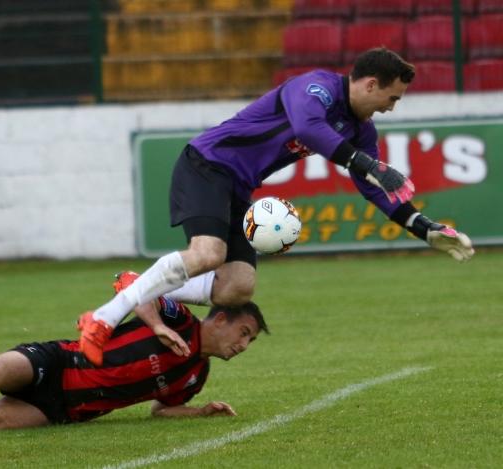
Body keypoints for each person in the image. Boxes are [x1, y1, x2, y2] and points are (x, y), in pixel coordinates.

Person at [77, 47, 474, 366]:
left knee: (237, 287)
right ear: (371, 84)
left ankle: (139, 285)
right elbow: (307, 128)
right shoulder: (315, 87)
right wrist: (365, 163)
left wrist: (423, 227)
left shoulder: (360, 130)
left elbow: (373, 188)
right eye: (392, 98)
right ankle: (104, 318)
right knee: (207, 253)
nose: (391, 107)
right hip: (208, 164)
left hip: (237, 186)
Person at [0, 291, 269, 430]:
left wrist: (200, 413)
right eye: (244, 333)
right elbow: (135, 287)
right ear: (220, 318)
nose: (244, 344)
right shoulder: (176, 317)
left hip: (67, 408)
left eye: (249, 340)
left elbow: (161, 412)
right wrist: (157, 326)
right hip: (61, 361)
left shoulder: (197, 376)